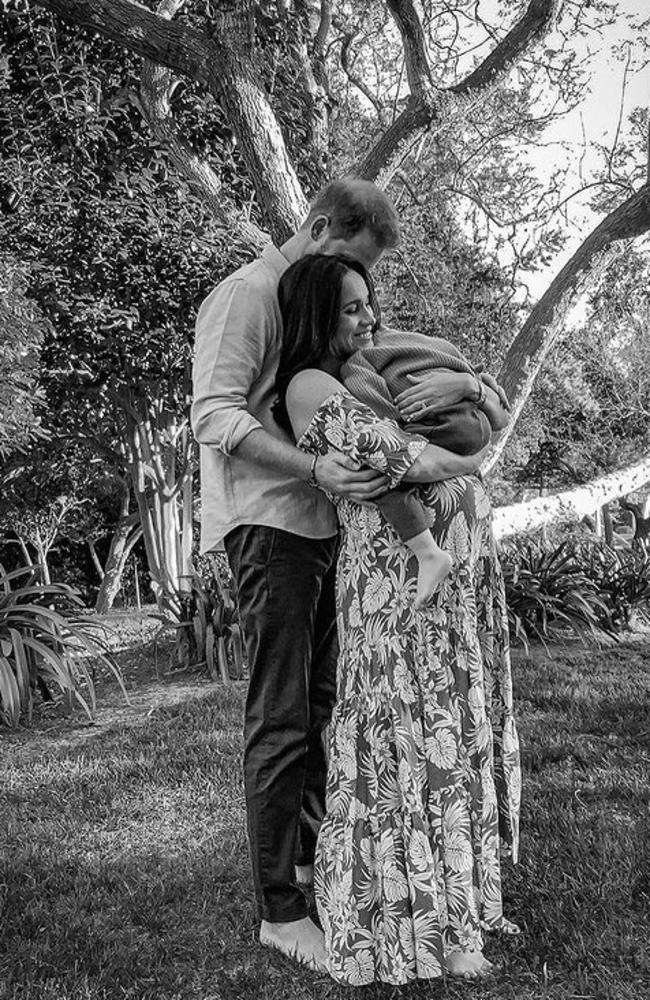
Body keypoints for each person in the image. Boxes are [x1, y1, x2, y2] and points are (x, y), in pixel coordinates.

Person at [274, 253, 521, 985]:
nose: (369, 318)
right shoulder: (310, 384)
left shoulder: (378, 375)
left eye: (369, 304)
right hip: (394, 587)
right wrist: (466, 459)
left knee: (451, 727)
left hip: (450, 580)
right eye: (351, 308)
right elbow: (397, 454)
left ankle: (458, 914)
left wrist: (470, 407)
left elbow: (487, 418)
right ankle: (412, 919)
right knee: (406, 736)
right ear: (318, 315)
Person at [191, 179, 406, 973]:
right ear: (317, 228)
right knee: (281, 716)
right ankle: (279, 912)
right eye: (348, 261)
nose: (353, 290)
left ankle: (312, 870)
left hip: (320, 527)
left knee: (320, 708)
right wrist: (314, 469)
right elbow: (215, 414)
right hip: (269, 527)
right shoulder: (248, 294)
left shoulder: (307, 298)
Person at [340, 327, 506, 607]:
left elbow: (383, 429)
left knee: (379, 468)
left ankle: (427, 551)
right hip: (474, 423)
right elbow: (500, 418)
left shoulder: (358, 361)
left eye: (364, 306)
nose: (365, 318)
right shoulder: (427, 343)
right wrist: (476, 386)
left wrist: (471, 386)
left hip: (446, 426)